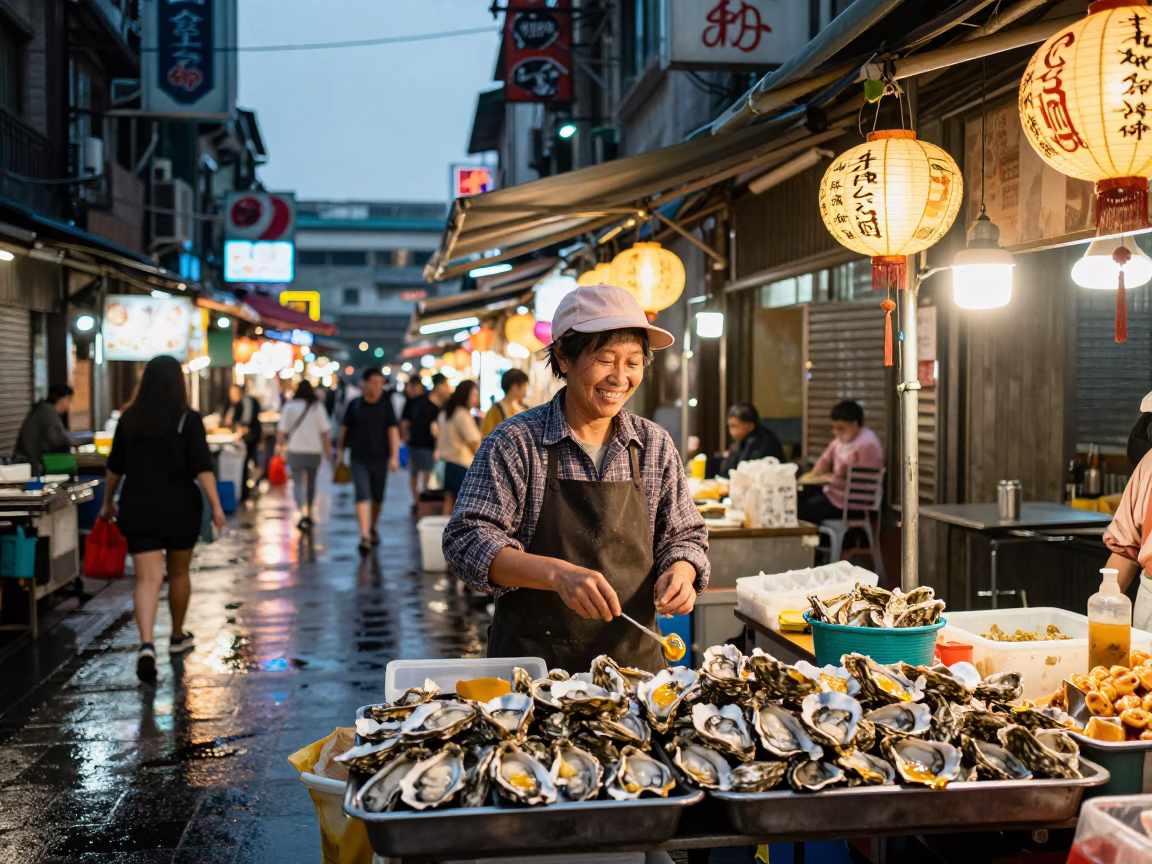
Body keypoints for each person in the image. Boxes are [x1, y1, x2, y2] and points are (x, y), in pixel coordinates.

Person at [443, 283, 709, 672]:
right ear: (563, 359)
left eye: (633, 362)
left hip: (634, 670)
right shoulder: (516, 442)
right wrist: (555, 574)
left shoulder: (654, 445)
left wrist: (682, 572)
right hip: (532, 671)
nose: (620, 377)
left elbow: (685, 536)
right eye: (605, 359)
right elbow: (467, 541)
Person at [99, 355, 225, 682]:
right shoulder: (189, 419)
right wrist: (217, 505)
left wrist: (107, 501)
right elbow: (202, 467)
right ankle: (177, 636)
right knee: (179, 573)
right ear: (178, 382)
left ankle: (146, 644)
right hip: (180, 508)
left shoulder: (129, 419)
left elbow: (115, 467)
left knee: (147, 578)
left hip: (139, 506)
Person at [337, 367, 400, 553]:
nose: (377, 386)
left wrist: (395, 456)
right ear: (364, 383)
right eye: (373, 382)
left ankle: (372, 526)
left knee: (378, 498)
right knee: (362, 494)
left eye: (380, 383)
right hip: (358, 458)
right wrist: (339, 453)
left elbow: (393, 432)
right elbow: (344, 430)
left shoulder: (386, 405)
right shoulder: (354, 404)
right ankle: (364, 535)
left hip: (381, 458)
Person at [798, 400, 884, 525]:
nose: (836, 432)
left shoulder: (868, 444)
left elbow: (861, 478)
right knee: (800, 501)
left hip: (853, 504)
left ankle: (820, 542)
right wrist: (812, 476)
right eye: (835, 428)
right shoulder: (840, 440)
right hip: (835, 496)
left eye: (841, 428)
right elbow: (825, 460)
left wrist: (835, 477)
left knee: (804, 511)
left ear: (854, 424)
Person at [277, 380, 332, 530]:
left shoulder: (289, 407)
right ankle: (309, 512)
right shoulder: (317, 407)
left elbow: (281, 431)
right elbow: (325, 433)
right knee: (312, 482)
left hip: (295, 450)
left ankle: (301, 512)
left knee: (298, 483)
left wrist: (280, 449)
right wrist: (328, 452)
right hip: (314, 451)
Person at [437, 380, 482, 514]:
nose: (476, 399)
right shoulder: (462, 415)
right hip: (462, 465)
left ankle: (445, 533)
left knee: (449, 500)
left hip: (448, 464)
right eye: (473, 395)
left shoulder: (446, 412)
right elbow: (474, 442)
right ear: (465, 395)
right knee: (464, 506)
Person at [401, 377, 442, 510]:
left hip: (426, 444)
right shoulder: (412, 403)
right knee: (418, 472)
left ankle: (422, 499)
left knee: (424, 472)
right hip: (417, 443)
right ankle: (419, 500)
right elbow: (405, 423)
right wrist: (405, 438)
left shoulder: (428, 402)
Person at [15, 384, 74, 476]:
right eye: (69, 400)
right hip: (33, 465)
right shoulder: (48, 414)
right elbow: (57, 440)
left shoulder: (42, 410)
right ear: (62, 399)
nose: (69, 405)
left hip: (29, 463)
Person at [719, 402, 784, 475]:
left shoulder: (763, 441)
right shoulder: (742, 441)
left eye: (734, 426)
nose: (731, 432)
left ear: (750, 425)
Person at [227, 384, 263, 501]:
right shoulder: (238, 404)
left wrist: (240, 430)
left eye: (234, 393)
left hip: (250, 437)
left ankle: (246, 491)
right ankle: (250, 488)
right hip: (251, 436)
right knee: (251, 461)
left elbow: (246, 424)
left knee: (247, 462)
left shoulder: (245, 402)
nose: (231, 396)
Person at [480, 368, 530, 438]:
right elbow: (488, 438)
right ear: (514, 386)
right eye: (524, 387)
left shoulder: (521, 407)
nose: (525, 392)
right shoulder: (495, 411)